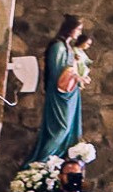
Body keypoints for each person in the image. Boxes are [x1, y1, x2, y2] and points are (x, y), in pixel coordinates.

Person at [31, 14, 90, 160]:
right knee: (61, 129)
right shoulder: (58, 46)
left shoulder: (68, 47)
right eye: (78, 29)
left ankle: (59, 163)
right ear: (70, 29)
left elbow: (69, 68)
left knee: (69, 129)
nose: (80, 33)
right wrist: (77, 77)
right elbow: (58, 72)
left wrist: (79, 75)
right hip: (60, 94)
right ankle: (42, 163)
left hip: (70, 94)